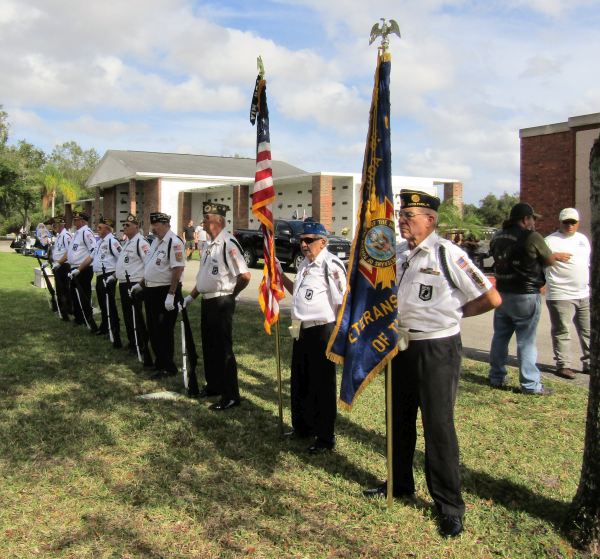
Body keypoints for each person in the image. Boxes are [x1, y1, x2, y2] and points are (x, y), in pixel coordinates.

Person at [363, 190, 501, 538]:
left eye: (410, 215)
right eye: (402, 215)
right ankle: (399, 483)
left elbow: (490, 297)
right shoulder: (397, 253)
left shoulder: (447, 254)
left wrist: (454, 315)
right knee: (399, 417)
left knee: (438, 427)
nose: (403, 221)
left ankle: (449, 506)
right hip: (401, 347)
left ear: (431, 220)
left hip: (437, 348)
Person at [279, 221, 346, 453]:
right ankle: (302, 428)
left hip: (322, 330)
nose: (304, 245)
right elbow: (296, 293)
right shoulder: (305, 265)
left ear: (323, 242)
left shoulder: (331, 264)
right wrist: (279, 275)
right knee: (301, 380)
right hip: (301, 329)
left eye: (309, 240)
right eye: (301, 240)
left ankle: (325, 437)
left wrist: (337, 337)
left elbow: (341, 303)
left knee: (322, 385)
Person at [488, 202, 569, 394]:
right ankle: (530, 384)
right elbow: (549, 261)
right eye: (532, 218)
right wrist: (553, 256)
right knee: (526, 340)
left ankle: (496, 377)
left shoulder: (497, 236)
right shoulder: (532, 237)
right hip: (525, 294)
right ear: (525, 219)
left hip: (502, 292)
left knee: (500, 337)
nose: (534, 222)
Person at [183, 203, 250, 410]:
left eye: (206, 219)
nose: (203, 223)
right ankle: (214, 386)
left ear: (218, 221)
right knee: (209, 346)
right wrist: (191, 297)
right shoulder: (210, 245)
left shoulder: (228, 243)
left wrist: (232, 296)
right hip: (208, 301)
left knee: (223, 349)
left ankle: (231, 395)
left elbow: (245, 276)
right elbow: (204, 277)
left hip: (221, 301)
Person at [131, 212, 185, 379]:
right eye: (152, 225)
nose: (153, 228)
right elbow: (150, 268)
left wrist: (171, 294)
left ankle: (168, 367)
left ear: (166, 224)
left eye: (156, 225)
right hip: (151, 291)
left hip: (165, 291)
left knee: (164, 330)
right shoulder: (155, 242)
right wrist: (140, 285)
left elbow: (178, 269)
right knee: (153, 328)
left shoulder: (174, 242)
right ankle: (160, 362)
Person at [544, 208, 591, 379]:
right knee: (563, 330)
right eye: (566, 222)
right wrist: (554, 256)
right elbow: (539, 261)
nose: (570, 225)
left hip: (583, 292)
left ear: (578, 222)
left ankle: (590, 363)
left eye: (573, 222)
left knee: (588, 330)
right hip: (560, 293)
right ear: (560, 222)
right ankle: (563, 365)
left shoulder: (583, 240)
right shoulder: (550, 241)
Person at [115, 213, 153, 366]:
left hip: (135, 284)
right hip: (125, 283)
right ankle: (133, 342)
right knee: (127, 315)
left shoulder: (141, 243)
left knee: (135, 315)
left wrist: (141, 284)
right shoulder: (128, 242)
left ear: (136, 227)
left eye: (127, 225)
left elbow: (148, 263)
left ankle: (141, 343)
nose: (124, 227)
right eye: (123, 225)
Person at [92, 216, 122, 348]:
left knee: (109, 303)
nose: (97, 230)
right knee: (102, 303)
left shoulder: (112, 241)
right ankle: (105, 326)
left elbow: (120, 258)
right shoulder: (101, 241)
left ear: (108, 229)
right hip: (100, 275)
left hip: (108, 275)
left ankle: (113, 328)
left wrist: (114, 276)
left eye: (100, 228)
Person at [67, 211, 98, 332]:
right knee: (75, 294)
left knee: (83, 294)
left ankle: (86, 318)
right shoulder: (77, 233)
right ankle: (78, 317)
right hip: (74, 268)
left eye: (76, 219)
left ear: (83, 221)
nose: (74, 221)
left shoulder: (86, 233)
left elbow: (93, 250)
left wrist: (81, 268)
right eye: (74, 219)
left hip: (83, 269)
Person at [49, 215, 73, 320]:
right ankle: (61, 308)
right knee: (59, 288)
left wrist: (59, 263)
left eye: (56, 225)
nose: (54, 226)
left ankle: (66, 310)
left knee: (64, 289)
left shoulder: (66, 235)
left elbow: (69, 252)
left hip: (63, 265)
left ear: (61, 225)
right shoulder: (59, 235)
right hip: (58, 265)